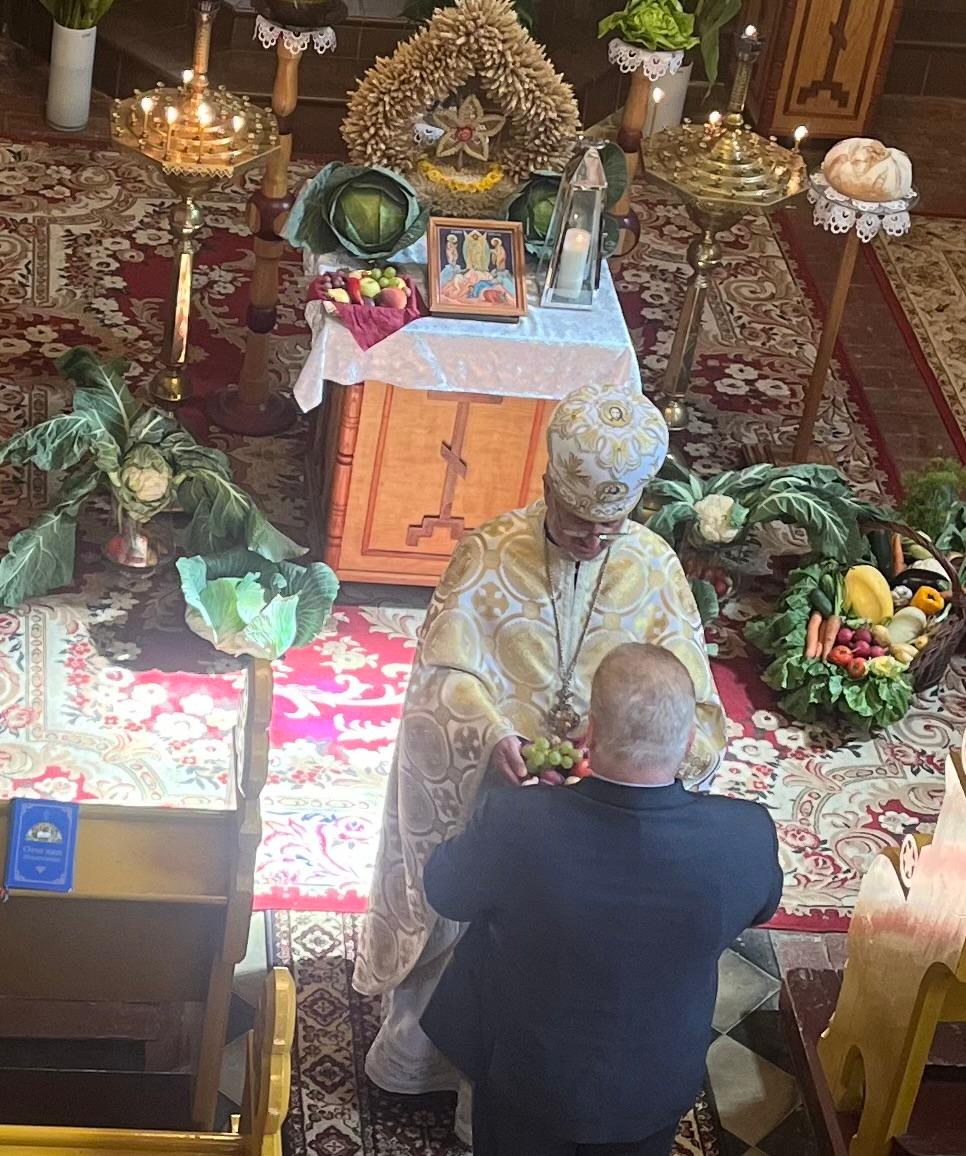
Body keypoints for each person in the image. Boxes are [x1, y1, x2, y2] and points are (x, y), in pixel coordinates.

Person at [354, 382, 727, 1123]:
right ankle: (427, 1063)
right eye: (580, 522)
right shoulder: (489, 551)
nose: (593, 541)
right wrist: (490, 732)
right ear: (549, 485)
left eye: (610, 527)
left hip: (604, 809)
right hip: (499, 796)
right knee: (472, 923)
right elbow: (441, 678)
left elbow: (696, 709)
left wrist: (621, 752)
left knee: (558, 969)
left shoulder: (653, 566)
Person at [421, 643, 783, 1155]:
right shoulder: (746, 834)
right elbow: (763, 906)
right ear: (687, 742)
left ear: (590, 733)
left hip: (527, 1075)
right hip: (653, 1081)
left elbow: (446, 892)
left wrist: (533, 810)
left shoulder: (517, 821)